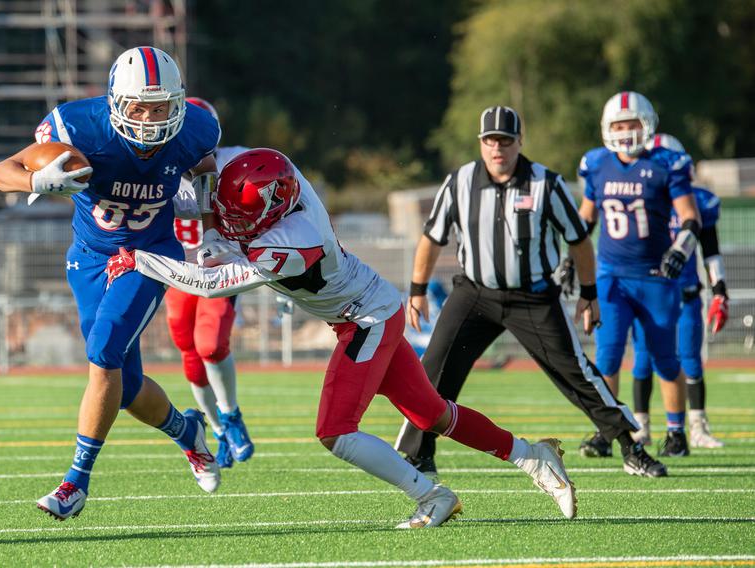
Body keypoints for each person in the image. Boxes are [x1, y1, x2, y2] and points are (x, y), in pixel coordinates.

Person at [106, 148, 578, 528]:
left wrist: (141, 261)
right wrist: (202, 174)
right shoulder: (282, 185)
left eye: (242, 217)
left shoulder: (291, 242)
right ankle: (531, 455)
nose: (233, 224)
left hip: (365, 319)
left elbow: (210, 282)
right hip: (369, 307)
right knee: (431, 414)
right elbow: (224, 192)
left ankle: (432, 496)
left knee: (335, 431)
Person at [0, 46, 224, 520]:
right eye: (139, 107)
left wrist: (208, 219)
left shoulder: (194, 130)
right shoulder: (79, 128)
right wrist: (36, 184)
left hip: (150, 256)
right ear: (116, 102)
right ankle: (187, 433)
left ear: (178, 103)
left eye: (160, 107)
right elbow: (0, 173)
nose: (151, 119)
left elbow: (205, 171)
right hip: (91, 259)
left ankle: (75, 483)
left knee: (103, 354)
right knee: (127, 385)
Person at [394, 106, 666, 480]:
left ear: (520, 142)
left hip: (533, 296)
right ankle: (418, 454)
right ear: (481, 143)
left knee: (577, 372)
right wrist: (417, 290)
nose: (497, 149)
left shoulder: (545, 183)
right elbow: (431, 237)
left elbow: (579, 240)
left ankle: (629, 446)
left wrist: (589, 293)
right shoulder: (459, 182)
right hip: (474, 293)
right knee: (435, 369)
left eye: (505, 141)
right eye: (490, 141)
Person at [577, 92, 702, 460]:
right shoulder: (596, 164)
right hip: (611, 276)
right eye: (618, 124)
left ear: (646, 124)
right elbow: (585, 220)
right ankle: (606, 431)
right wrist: (573, 260)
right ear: (606, 128)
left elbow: (690, 218)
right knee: (609, 354)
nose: (625, 131)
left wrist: (680, 250)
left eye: (631, 123)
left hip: (655, 276)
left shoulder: (667, 162)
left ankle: (676, 432)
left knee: (665, 358)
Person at [168, 97, 254, 468]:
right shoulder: (160, 161)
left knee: (210, 344)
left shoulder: (237, 159)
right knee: (189, 354)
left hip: (219, 265)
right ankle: (217, 429)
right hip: (176, 270)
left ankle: (231, 414)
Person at [629, 133, 729, 450]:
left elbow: (710, 251)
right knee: (643, 361)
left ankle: (696, 427)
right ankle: (640, 427)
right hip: (649, 295)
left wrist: (719, 290)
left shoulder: (697, 201)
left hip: (685, 294)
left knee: (691, 359)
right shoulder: (638, 196)